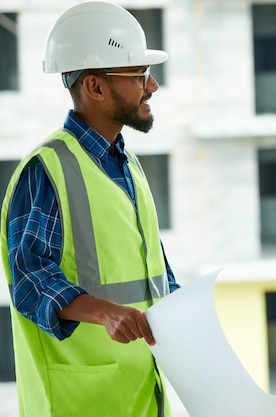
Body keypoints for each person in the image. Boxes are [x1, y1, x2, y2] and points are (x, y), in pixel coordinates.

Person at [0, 2, 179, 416]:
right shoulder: (46, 170)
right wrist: (105, 313)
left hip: (140, 395)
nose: (152, 86)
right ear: (95, 87)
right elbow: (30, 277)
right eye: (138, 76)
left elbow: (154, 277)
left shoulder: (128, 165)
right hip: (79, 403)